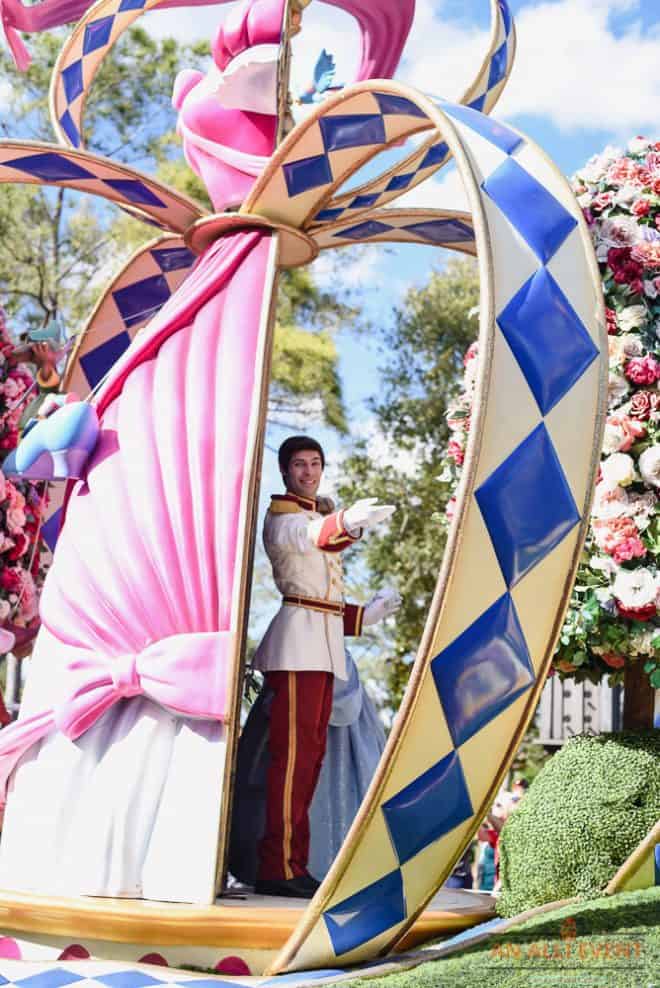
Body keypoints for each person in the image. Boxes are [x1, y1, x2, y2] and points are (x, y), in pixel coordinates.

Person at [250, 435, 399, 898]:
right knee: (292, 764)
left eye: (315, 463)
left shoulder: (312, 514)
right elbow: (314, 541)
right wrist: (348, 521)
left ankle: (291, 865)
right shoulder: (283, 518)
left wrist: (366, 615)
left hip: (319, 648)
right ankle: (278, 867)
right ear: (285, 471)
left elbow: (324, 601)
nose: (309, 472)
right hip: (297, 649)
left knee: (308, 763)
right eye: (300, 464)